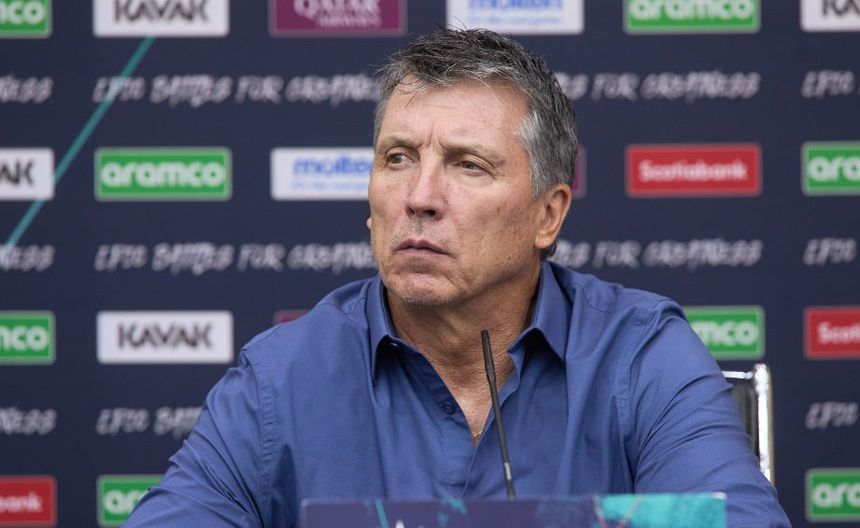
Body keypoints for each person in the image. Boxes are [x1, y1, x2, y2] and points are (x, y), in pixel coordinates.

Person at [126, 29, 790, 527]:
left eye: (468, 165)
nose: (420, 197)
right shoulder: (280, 379)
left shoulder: (642, 353)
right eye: (397, 158)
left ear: (548, 214)